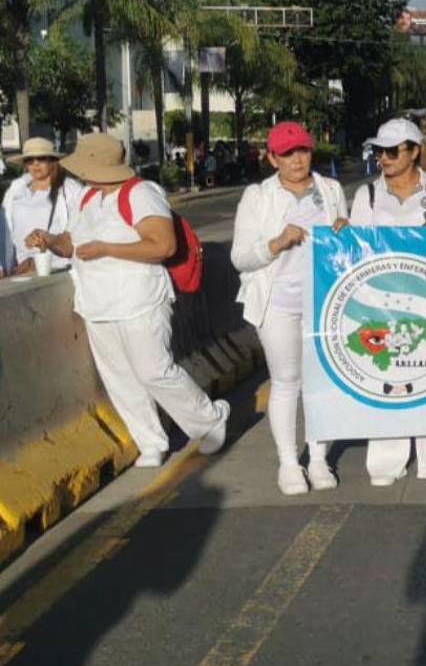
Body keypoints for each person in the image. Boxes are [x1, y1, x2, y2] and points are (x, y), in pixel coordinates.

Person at [26, 134, 229, 467]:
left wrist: (108, 249)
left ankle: (209, 419)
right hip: (96, 301)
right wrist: (49, 240)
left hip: (141, 298)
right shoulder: (87, 198)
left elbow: (163, 246)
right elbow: (70, 242)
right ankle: (150, 441)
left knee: (154, 371)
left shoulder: (142, 194)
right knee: (119, 378)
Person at [231, 121, 349, 496]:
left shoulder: (330, 190)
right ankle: (287, 462)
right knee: (285, 382)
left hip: (325, 302)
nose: (297, 159)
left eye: (303, 150)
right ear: (271, 158)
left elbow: (348, 250)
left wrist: (347, 231)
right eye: (287, 153)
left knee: (322, 381)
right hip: (277, 302)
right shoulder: (258, 197)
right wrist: (276, 243)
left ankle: (318, 458)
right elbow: (239, 258)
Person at [349, 118, 426, 487]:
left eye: (393, 150)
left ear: (414, 152)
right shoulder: (367, 195)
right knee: (386, 377)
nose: (384, 157)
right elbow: (356, 248)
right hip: (381, 300)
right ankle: (386, 460)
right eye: (379, 150)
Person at [4, 137, 84, 276]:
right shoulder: (16, 191)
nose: (35, 164)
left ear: (51, 161)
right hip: (22, 269)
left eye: (41, 158)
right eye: (30, 160)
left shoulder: (70, 190)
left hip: (58, 269)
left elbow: (81, 230)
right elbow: (7, 233)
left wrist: (50, 241)